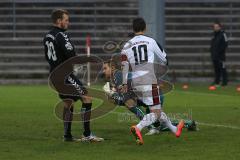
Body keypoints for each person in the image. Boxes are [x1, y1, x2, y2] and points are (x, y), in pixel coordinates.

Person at [121, 17, 184, 145]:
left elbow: (124, 66)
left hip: (135, 82)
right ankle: (138, 128)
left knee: (157, 109)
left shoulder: (126, 46)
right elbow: (164, 59)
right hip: (149, 79)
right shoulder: (151, 41)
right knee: (156, 112)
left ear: (133, 29)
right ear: (145, 28)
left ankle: (175, 130)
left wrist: (124, 84)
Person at [43, 9, 103, 142]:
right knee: (86, 97)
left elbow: (48, 57)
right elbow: (71, 56)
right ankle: (87, 135)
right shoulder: (61, 35)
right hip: (64, 74)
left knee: (68, 102)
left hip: (54, 75)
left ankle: (67, 136)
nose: (68, 23)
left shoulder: (47, 36)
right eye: (66, 20)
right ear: (59, 21)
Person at [210, 21, 228, 86]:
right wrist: (212, 53)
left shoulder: (223, 34)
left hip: (221, 56)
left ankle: (224, 83)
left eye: (217, 27)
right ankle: (217, 82)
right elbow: (212, 45)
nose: (215, 28)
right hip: (214, 56)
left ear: (220, 27)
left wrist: (220, 52)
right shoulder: (214, 35)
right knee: (216, 70)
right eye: (214, 27)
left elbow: (226, 43)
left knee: (223, 69)